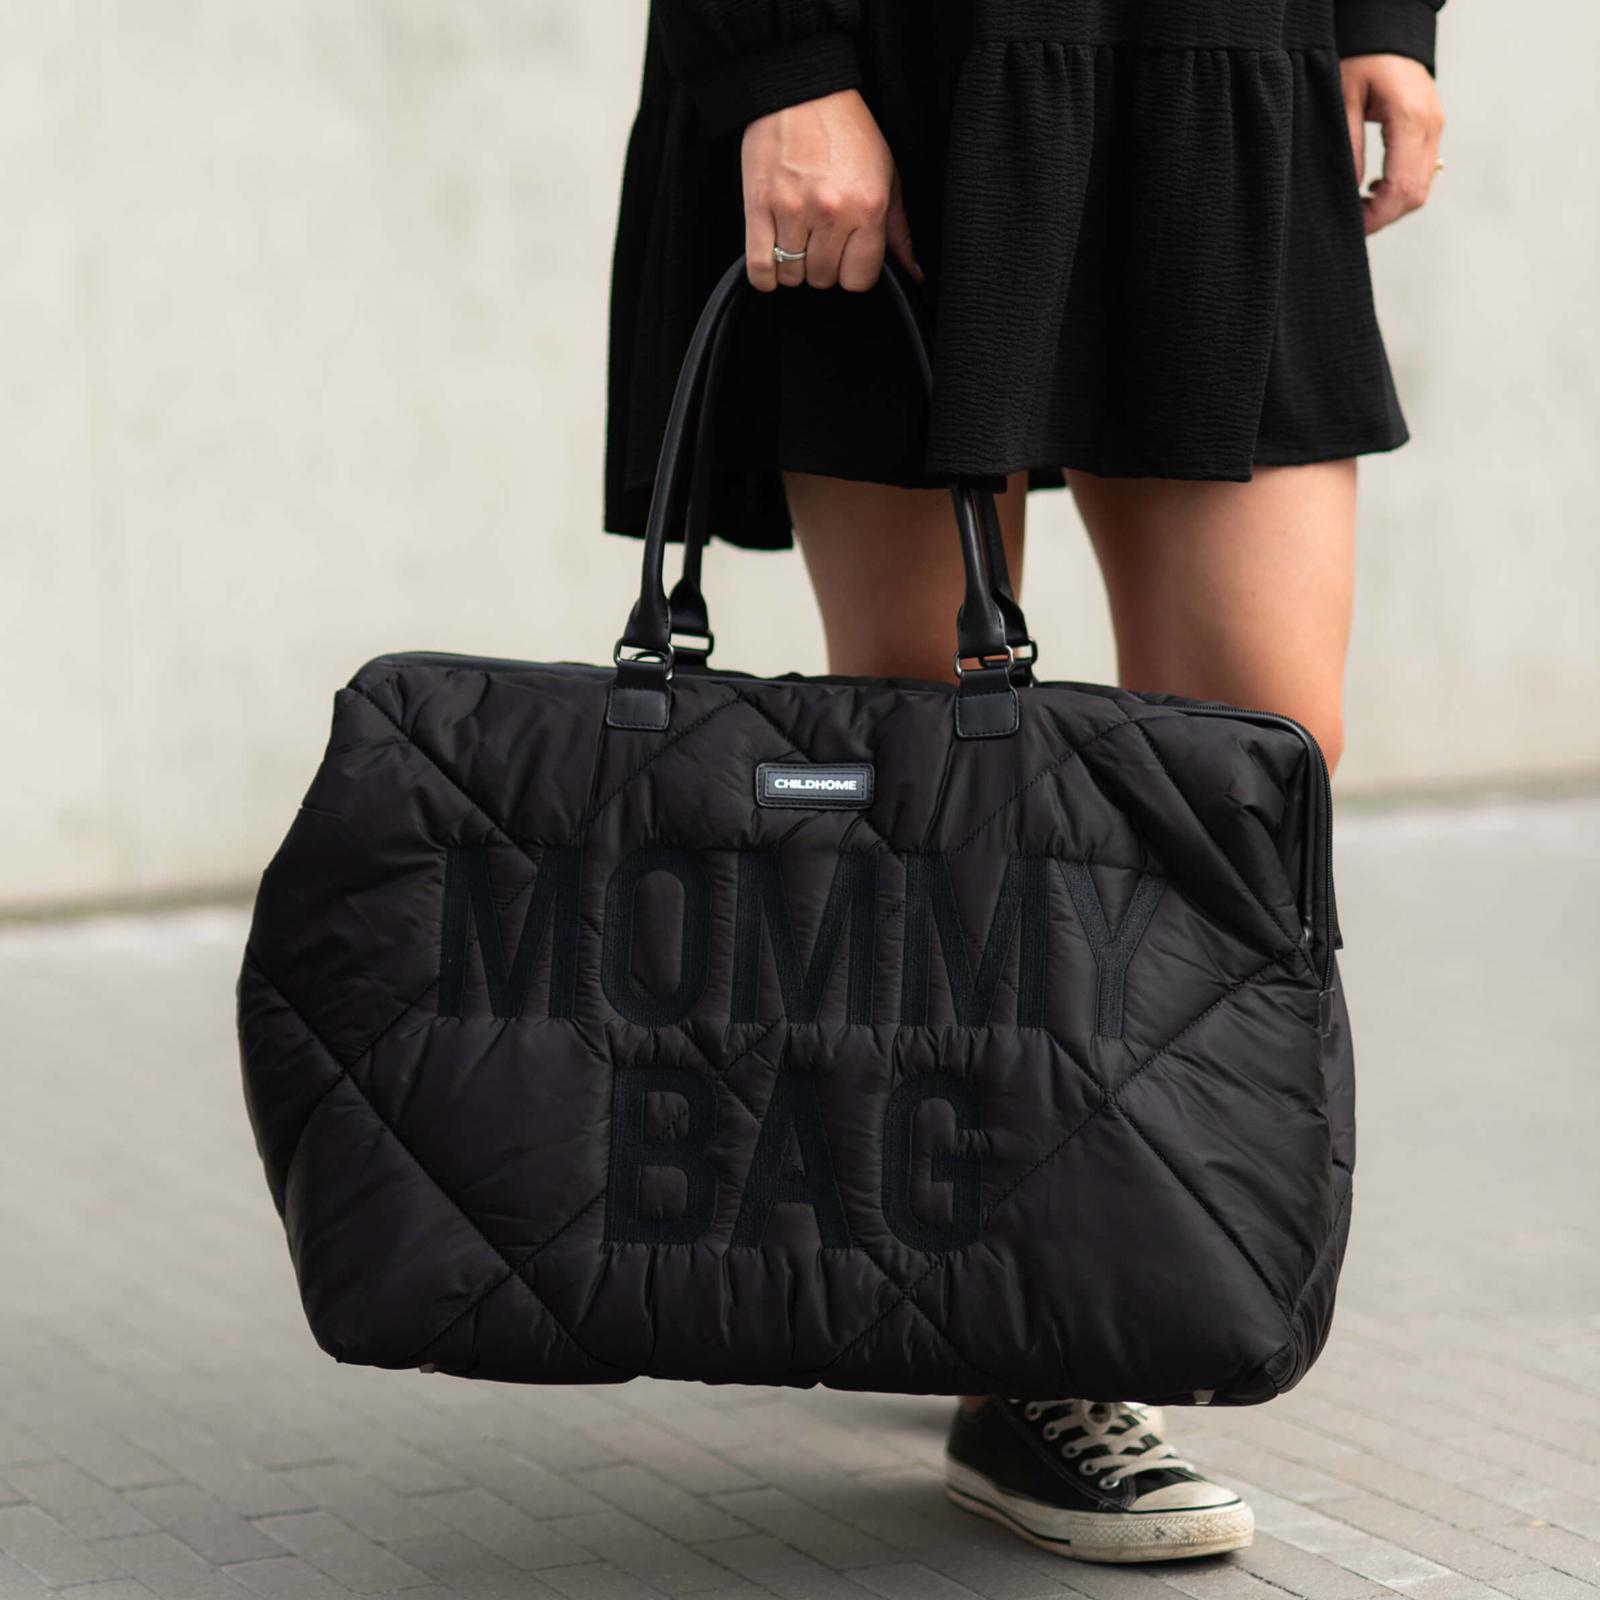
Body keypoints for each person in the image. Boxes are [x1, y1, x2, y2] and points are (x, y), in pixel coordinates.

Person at [606, 0, 1444, 1565]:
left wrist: (1387, 14)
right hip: (908, 55)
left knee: (1255, 753)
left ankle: (1010, 1262)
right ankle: (1025, 1339)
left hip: (1214, 52)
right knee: (933, 752)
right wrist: (785, 65)